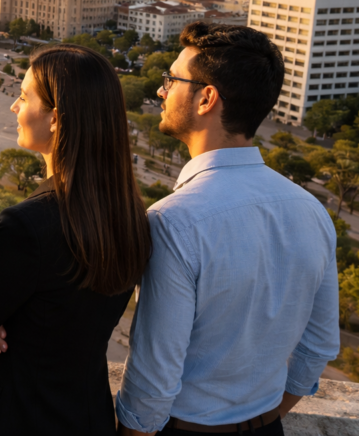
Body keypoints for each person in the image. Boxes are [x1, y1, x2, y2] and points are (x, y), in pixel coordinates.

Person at [117, 23, 339, 435]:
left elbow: (154, 378)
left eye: (172, 79)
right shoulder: (312, 211)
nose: (162, 90)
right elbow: (319, 347)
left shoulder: (173, 221)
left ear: (206, 98)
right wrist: (265, 418)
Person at [0, 44, 151, 435]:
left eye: (23, 97)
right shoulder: (132, 218)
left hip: (15, 418)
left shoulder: (28, 225)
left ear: (56, 118)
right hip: (87, 415)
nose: (13, 108)